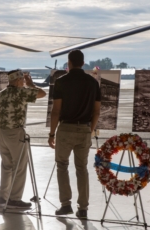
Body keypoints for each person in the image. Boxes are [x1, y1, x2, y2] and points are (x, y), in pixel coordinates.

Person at [48, 49, 101, 219]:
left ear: (69, 62)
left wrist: (51, 133)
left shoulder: (61, 81)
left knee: (62, 165)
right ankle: (83, 208)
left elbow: (56, 111)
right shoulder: (93, 83)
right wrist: (90, 130)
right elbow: (97, 112)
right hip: (84, 129)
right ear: (83, 63)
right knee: (82, 168)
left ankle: (65, 205)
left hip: (65, 129)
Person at [0, 69, 46, 209]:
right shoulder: (20, 92)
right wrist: (31, 84)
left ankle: (2, 197)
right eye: (22, 80)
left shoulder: (2, 93)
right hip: (15, 133)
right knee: (20, 166)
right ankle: (14, 199)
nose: (23, 82)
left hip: (0, 133)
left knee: (7, 165)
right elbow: (42, 93)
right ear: (17, 81)